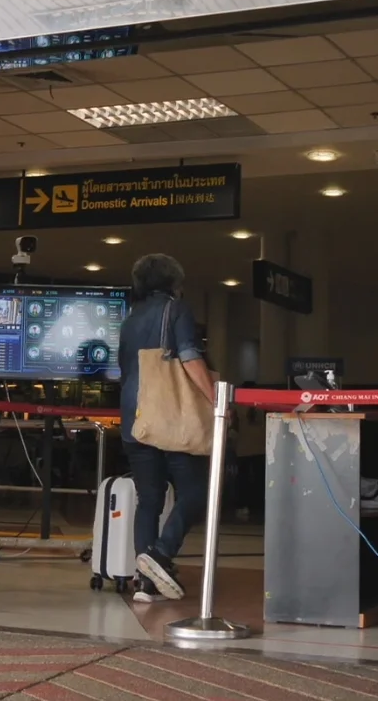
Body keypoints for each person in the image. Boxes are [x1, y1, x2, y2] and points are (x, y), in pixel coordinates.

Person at [117, 253, 216, 603]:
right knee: (195, 493)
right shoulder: (176, 309)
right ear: (175, 282)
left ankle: (145, 582)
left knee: (150, 499)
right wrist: (216, 401)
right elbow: (189, 357)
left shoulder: (130, 318)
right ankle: (160, 555)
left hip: (135, 419)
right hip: (170, 418)